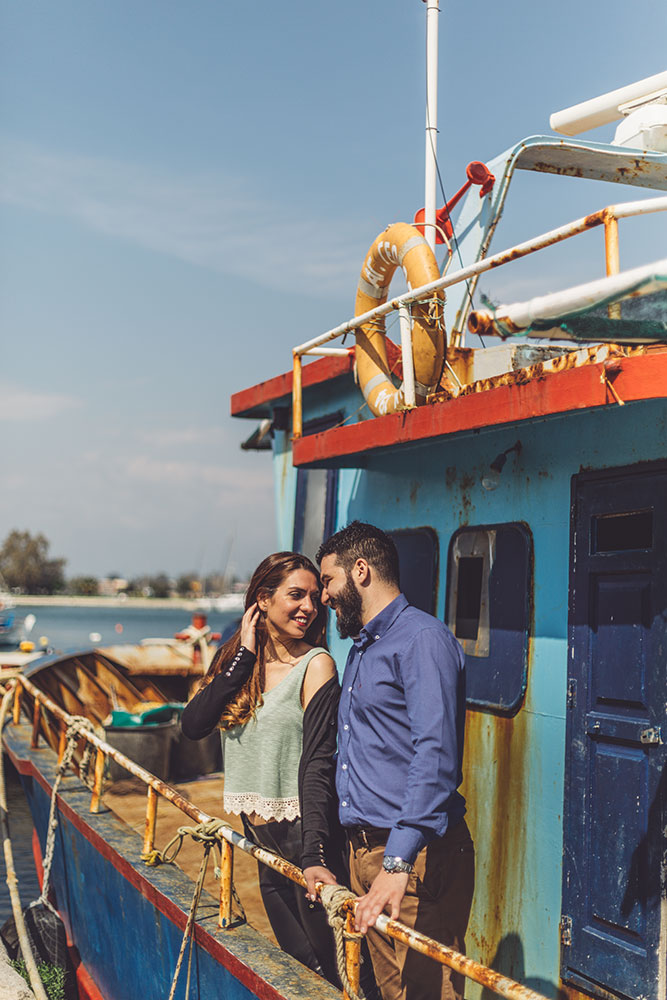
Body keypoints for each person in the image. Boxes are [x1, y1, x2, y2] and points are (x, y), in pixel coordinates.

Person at [304, 521, 475, 1000]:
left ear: (361, 571)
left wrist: (397, 864)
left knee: (428, 994)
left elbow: (435, 755)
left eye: (328, 581)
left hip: (414, 858)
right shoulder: (364, 647)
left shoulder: (421, 640)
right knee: (392, 994)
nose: (324, 597)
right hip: (367, 854)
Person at [180, 551, 344, 986]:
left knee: (337, 973)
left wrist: (314, 856)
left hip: (304, 838)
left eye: (314, 596)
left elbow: (317, 766)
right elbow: (193, 725)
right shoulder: (237, 664)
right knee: (301, 967)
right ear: (262, 600)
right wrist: (244, 657)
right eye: (296, 595)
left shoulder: (317, 665)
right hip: (261, 842)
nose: (309, 606)